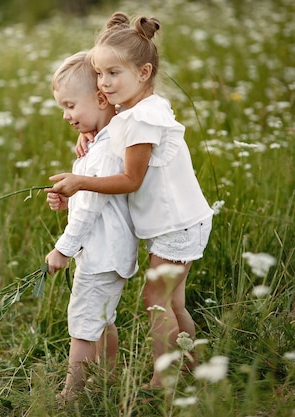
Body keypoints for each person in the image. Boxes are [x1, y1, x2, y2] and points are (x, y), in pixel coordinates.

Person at [45, 12, 213, 388]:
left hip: (176, 224)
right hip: (177, 220)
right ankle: (191, 368)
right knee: (172, 302)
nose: (104, 85)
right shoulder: (137, 109)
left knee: (156, 301)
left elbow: (130, 179)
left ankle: (163, 381)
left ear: (143, 72)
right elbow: (111, 127)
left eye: (113, 74)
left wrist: (81, 181)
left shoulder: (140, 121)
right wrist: (90, 135)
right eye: (100, 75)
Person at [44, 50, 138, 399]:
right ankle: (109, 380)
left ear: (101, 98)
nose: (66, 116)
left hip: (100, 254)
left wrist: (62, 250)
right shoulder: (101, 142)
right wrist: (68, 199)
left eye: (70, 105)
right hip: (109, 250)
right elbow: (93, 199)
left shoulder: (103, 149)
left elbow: (90, 208)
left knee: (83, 324)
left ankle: (72, 394)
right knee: (102, 318)